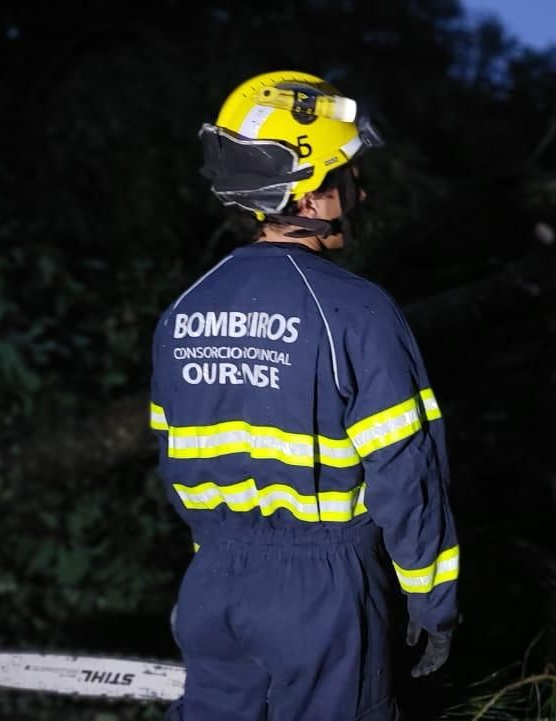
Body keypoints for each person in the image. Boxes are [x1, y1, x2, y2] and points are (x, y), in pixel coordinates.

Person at [150, 70, 460, 721]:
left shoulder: (184, 311)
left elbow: (171, 454)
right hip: (324, 595)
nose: (361, 190)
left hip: (213, 583)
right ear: (311, 194)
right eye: (348, 175)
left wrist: (222, 562)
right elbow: (407, 475)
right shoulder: (357, 311)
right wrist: (433, 604)